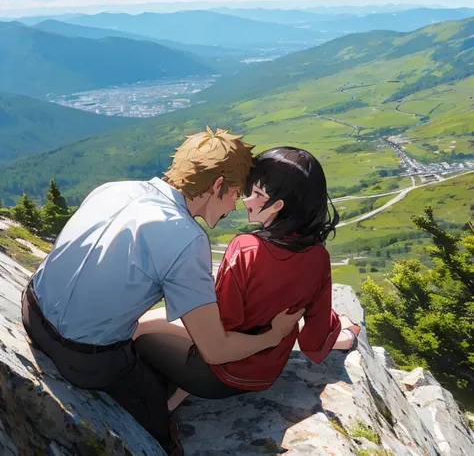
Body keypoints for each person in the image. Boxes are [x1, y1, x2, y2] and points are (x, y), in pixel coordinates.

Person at [21, 128, 305, 456]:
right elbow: (214, 349)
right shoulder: (186, 237)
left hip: (31, 310)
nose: (236, 205)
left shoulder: (112, 189)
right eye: (234, 194)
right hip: (83, 358)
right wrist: (273, 336)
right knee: (156, 416)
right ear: (216, 186)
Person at [133, 146, 361, 412]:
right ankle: (176, 396)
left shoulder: (246, 248)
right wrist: (345, 335)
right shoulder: (318, 256)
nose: (246, 199)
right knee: (156, 322)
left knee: (137, 335)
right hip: (265, 374)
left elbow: (220, 328)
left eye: (258, 194)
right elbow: (315, 337)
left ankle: (159, 410)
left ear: (278, 205)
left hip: (219, 374)